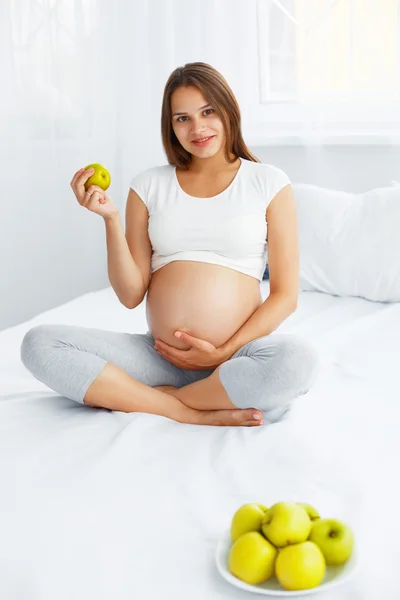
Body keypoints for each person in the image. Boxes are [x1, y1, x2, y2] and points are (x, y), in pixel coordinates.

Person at [20, 62, 319, 428]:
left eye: (208, 111)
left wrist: (223, 351)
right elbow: (131, 295)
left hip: (234, 357)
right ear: (171, 125)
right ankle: (186, 410)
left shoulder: (268, 182)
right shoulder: (148, 186)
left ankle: (149, 398)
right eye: (183, 118)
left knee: (297, 360)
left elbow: (286, 296)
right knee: (40, 344)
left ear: (228, 110)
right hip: (160, 358)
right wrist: (111, 219)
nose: (198, 128)